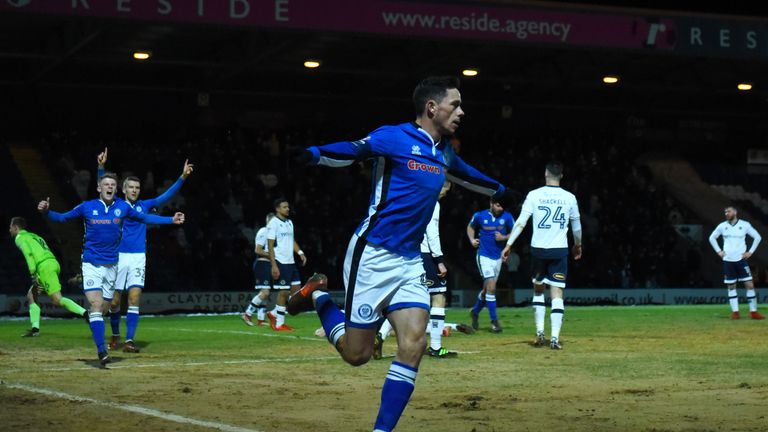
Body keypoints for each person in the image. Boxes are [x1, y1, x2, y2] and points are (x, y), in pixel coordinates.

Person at [286, 76, 507, 431]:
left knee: (414, 342)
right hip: (372, 255)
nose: (462, 112)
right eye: (456, 104)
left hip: (408, 262)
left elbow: (465, 174)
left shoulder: (444, 152)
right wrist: (314, 154)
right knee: (357, 355)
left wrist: (499, 189)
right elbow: (353, 150)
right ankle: (321, 296)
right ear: (432, 107)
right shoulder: (394, 136)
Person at [37, 173, 184, 365]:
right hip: (91, 263)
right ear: (99, 188)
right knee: (96, 306)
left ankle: (99, 322)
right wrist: (47, 212)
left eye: (112, 185)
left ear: (116, 189)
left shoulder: (122, 207)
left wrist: (170, 220)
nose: (109, 187)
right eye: (105, 184)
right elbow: (63, 218)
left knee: (106, 308)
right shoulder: (87, 207)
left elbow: (145, 218)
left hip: (112, 266)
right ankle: (101, 351)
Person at [97, 148, 194, 352]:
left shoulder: (144, 205)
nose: (134, 190)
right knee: (114, 302)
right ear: (123, 190)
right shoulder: (116, 205)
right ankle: (115, 335)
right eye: (130, 187)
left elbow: (166, 196)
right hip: (119, 257)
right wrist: (101, 167)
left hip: (138, 257)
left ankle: (129, 341)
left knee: (134, 299)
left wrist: (182, 177)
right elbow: (103, 187)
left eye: (137, 187)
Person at [374, 181, 472, 359]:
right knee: (438, 297)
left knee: (406, 301)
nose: (445, 193)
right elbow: (432, 233)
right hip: (425, 254)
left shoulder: (413, 199)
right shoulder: (432, 203)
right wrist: (439, 260)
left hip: (406, 253)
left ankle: (380, 335)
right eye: (444, 189)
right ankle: (436, 347)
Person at [502, 162, 582, 350]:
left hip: (538, 250)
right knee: (557, 293)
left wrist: (509, 244)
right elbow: (576, 227)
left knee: (538, 290)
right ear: (561, 176)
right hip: (559, 250)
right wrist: (577, 245)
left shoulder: (534, 195)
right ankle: (554, 338)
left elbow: (521, 222)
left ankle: (540, 333)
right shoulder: (569, 198)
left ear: (546, 173)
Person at [9, 217, 88, 337]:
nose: (9, 230)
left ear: (16, 227)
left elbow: (28, 255)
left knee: (57, 299)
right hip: (52, 263)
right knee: (32, 295)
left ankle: (86, 314)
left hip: (44, 267)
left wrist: (33, 273)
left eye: (10, 227)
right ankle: (35, 329)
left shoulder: (20, 238)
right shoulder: (34, 236)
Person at [467, 198, 515, 333]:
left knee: (486, 290)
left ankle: (475, 312)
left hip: (498, 257)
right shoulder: (479, 215)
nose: (501, 208)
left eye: (502, 206)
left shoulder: (507, 216)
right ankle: (494, 321)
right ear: (491, 204)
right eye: (498, 205)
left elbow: (516, 231)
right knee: (492, 287)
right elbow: (470, 227)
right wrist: (471, 240)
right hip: (483, 256)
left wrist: (504, 237)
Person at [708, 206, 763, 320]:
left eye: (728, 211)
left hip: (741, 260)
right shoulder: (722, 226)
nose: (726, 213)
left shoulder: (745, 224)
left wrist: (750, 252)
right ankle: (735, 312)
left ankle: (753, 312)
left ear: (735, 212)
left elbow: (757, 237)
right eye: (725, 212)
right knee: (731, 286)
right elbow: (712, 238)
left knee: (750, 285)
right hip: (728, 261)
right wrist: (719, 251)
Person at [266, 198, 307, 332]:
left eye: (288, 207)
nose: (288, 209)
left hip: (291, 262)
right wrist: (274, 265)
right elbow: (270, 246)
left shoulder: (289, 223)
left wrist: (300, 252)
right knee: (283, 292)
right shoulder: (273, 223)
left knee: (296, 292)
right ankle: (279, 324)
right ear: (277, 209)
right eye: (284, 207)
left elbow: (292, 240)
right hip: (280, 261)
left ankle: (273, 313)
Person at [242, 212, 276, 326]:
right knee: (265, 292)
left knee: (265, 292)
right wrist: (271, 255)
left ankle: (261, 319)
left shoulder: (272, 234)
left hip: (267, 265)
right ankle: (247, 314)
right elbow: (258, 250)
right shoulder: (263, 231)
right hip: (262, 265)